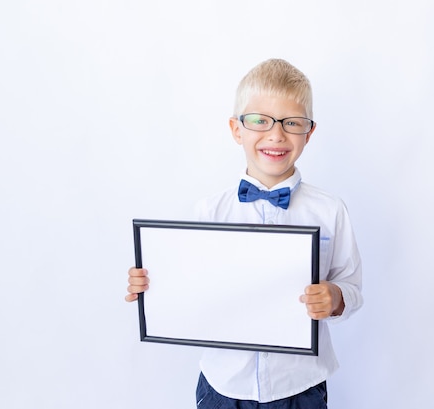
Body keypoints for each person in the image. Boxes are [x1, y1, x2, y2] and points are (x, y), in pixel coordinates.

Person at [125, 58, 363, 408]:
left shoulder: (330, 211)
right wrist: (151, 285)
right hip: (223, 386)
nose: (276, 134)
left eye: (292, 123)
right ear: (237, 129)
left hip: (299, 387)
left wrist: (335, 296)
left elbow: (352, 286)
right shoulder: (209, 212)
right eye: (259, 121)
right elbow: (190, 288)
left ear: (309, 133)